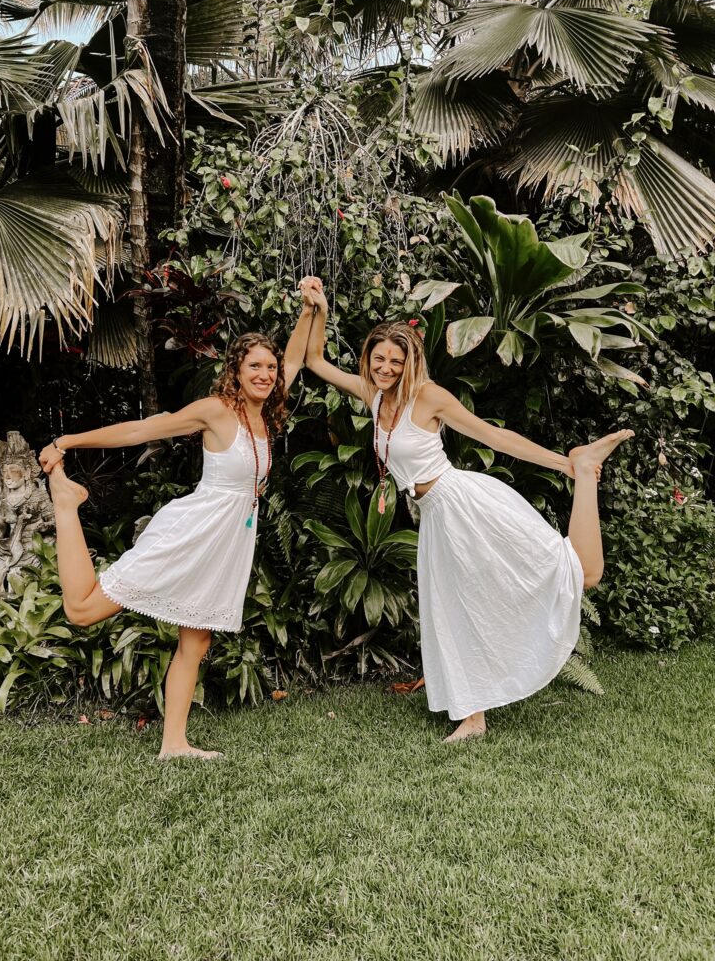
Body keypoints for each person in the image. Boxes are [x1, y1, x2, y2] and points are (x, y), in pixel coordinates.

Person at [302, 285, 633, 741]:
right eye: (379, 359)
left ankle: (585, 467)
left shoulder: (429, 397)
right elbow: (314, 361)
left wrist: (564, 465)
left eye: (396, 361)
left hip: (465, 506)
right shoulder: (371, 394)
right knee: (457, 609)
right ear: (368, 358)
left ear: (410, 363)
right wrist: (316, 309)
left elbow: (494, 438)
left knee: (583, 572)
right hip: (437, 518)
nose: (386, 368)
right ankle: (473, 717)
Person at [38, 281, 321, 760]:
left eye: (270, 368)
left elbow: (294, 357)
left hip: (226, 543)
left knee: (198, 636)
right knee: (82, 612)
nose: (267, 374)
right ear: (235, 369)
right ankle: (66, 505)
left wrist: (311, 309)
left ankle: (174, 744)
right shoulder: (215, 411)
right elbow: (142, 429)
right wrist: (69, 441)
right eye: (255, 365)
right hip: (192, 532)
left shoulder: (264, 414)